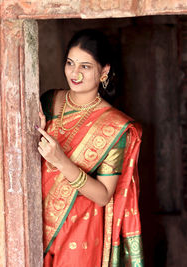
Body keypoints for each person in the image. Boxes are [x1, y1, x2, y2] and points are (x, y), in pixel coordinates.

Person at [36, 29, 144, 266]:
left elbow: (104, 194)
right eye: (70, 63)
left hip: (80, 229)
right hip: (36, 221)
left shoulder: (115, 126)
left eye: (85, 66)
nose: (75, 73)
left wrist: (61, 161)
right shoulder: (48, 101)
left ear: (104, 71)